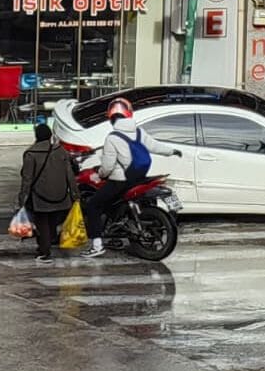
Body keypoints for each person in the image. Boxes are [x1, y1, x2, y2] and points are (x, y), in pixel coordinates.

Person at [81, 97, 182, 259]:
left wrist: (99, 174)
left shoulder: (112, 138)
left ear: (111, 117)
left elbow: (107, 167)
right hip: (139, 177)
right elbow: (154, 145)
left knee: (93, 205)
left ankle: (97, 245)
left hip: (120, 181)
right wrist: (172, 151)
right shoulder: (139, 132)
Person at [18, 123, 77, 265]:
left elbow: (27, 179)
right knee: (52, 219)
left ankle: (45, 252)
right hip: (61, 195)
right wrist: (75, 194)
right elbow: (70, 175)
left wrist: (22, 198)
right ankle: (49, 241)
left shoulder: (31, 154)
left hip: (40, 196)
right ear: (50, 135)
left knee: (41, 221)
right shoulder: (61, 151)